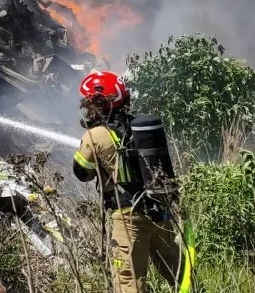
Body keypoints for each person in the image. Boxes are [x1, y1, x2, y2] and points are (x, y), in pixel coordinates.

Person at [72, 71, 188, 293]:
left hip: (128, 219)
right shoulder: (138, 127)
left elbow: (82, 172)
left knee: (128, 281)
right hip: (159, 210)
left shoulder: (95, 135)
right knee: (176, 269)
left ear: (93, 103)